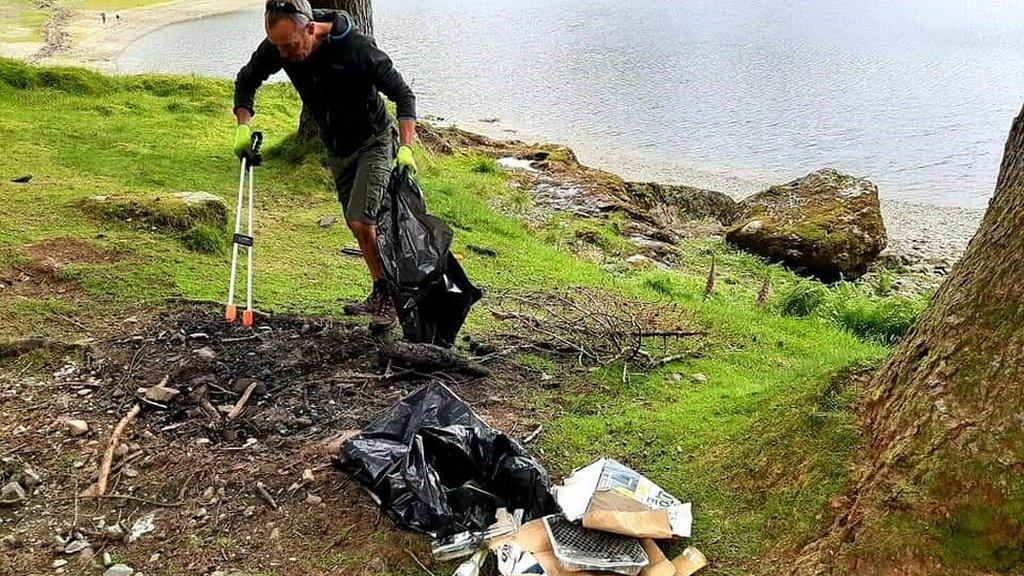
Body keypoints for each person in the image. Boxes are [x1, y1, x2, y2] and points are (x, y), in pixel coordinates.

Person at [233, 0, 417, 328]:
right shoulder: (279, 47)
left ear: (310, 28)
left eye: (291, 45)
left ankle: (389, 300)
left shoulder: (356, 48)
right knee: (356, 223)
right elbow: (246, 81)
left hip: (373, 140)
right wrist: (243, 127)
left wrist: (406, 149)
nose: (286, 54)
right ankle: (381, 290)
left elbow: (403, 96)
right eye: (279, 46)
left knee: (362, 221)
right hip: (336, 147)